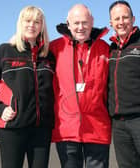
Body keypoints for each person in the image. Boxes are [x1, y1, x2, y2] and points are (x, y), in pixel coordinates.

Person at [0, 6, 55, 168]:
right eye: (27, 21)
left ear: (42, 26)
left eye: (36, 22)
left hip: (41, 129)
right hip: (12, 129)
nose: (31, 25)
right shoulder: (5, 51)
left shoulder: (48, 56)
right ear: (20, 23)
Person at [50, 4, 111, 168]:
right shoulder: (54, 48)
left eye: (85, 22)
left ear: (92, 22)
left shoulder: (105, 49)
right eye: (76, 23)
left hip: (98, 127)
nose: (80, 27)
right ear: (68, 24)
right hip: (66, 128)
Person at [108, 1, 140, 167]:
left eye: (125, 17)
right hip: (119, 123)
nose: (121, 22)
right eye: (117, 18)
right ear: (111, 23)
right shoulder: (110, 50)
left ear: (133, 19)